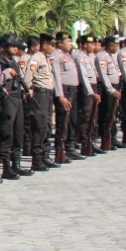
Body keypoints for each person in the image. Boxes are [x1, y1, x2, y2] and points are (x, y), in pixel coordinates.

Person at [0, 34, 28, 180]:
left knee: (19, 132)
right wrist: (7, 73)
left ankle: (16, 164)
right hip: (6, 98)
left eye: (16, 46)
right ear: (4, 47)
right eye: (12, 46)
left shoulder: (13, 61)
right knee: (7, 133)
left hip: (17, 97)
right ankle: (6, 166)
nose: (16, 48)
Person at [24, 35, 59, 171]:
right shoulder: (36, 58)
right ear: (44, 45)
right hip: (40, 94)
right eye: (51, 45)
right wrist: (28, 89)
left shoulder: (45, 58)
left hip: (48, 94)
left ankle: (45, 155)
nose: (53, 47)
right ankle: (36, 159)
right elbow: (28, 75)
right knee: (39, 125)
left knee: (47, 125)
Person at [50, 33, 79, 163]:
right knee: (63, 122)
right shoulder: (56, 56)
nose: (70, 44)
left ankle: (70, 147)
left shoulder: (68, 55)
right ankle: (60, 150)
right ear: (60, 43)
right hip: (64, 91)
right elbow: (56, 76)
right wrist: (60, 95)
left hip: (72, 90)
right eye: (67, 41)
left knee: (71, 120)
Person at [74, 36, 105, 154]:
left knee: (93, 116)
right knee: (86, 116)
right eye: (91, 44)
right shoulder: (80, 57)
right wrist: (91, 92)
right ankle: (85, 142)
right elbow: (83, 76)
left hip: (93, 86)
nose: (93, 46)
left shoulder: (88, 57)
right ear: (84, 45)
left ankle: (91, 141)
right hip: (86, 89)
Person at [96, 36, 124, 150]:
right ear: (110, 45)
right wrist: (111, 90)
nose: (117, 47)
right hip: (108, 89)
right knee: (107, 114)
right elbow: (103, 75)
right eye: (115, 45)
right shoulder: (102, 56)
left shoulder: (112, 56)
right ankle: (106, 138)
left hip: (115, 87)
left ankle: (113, 137)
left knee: (114, 114)